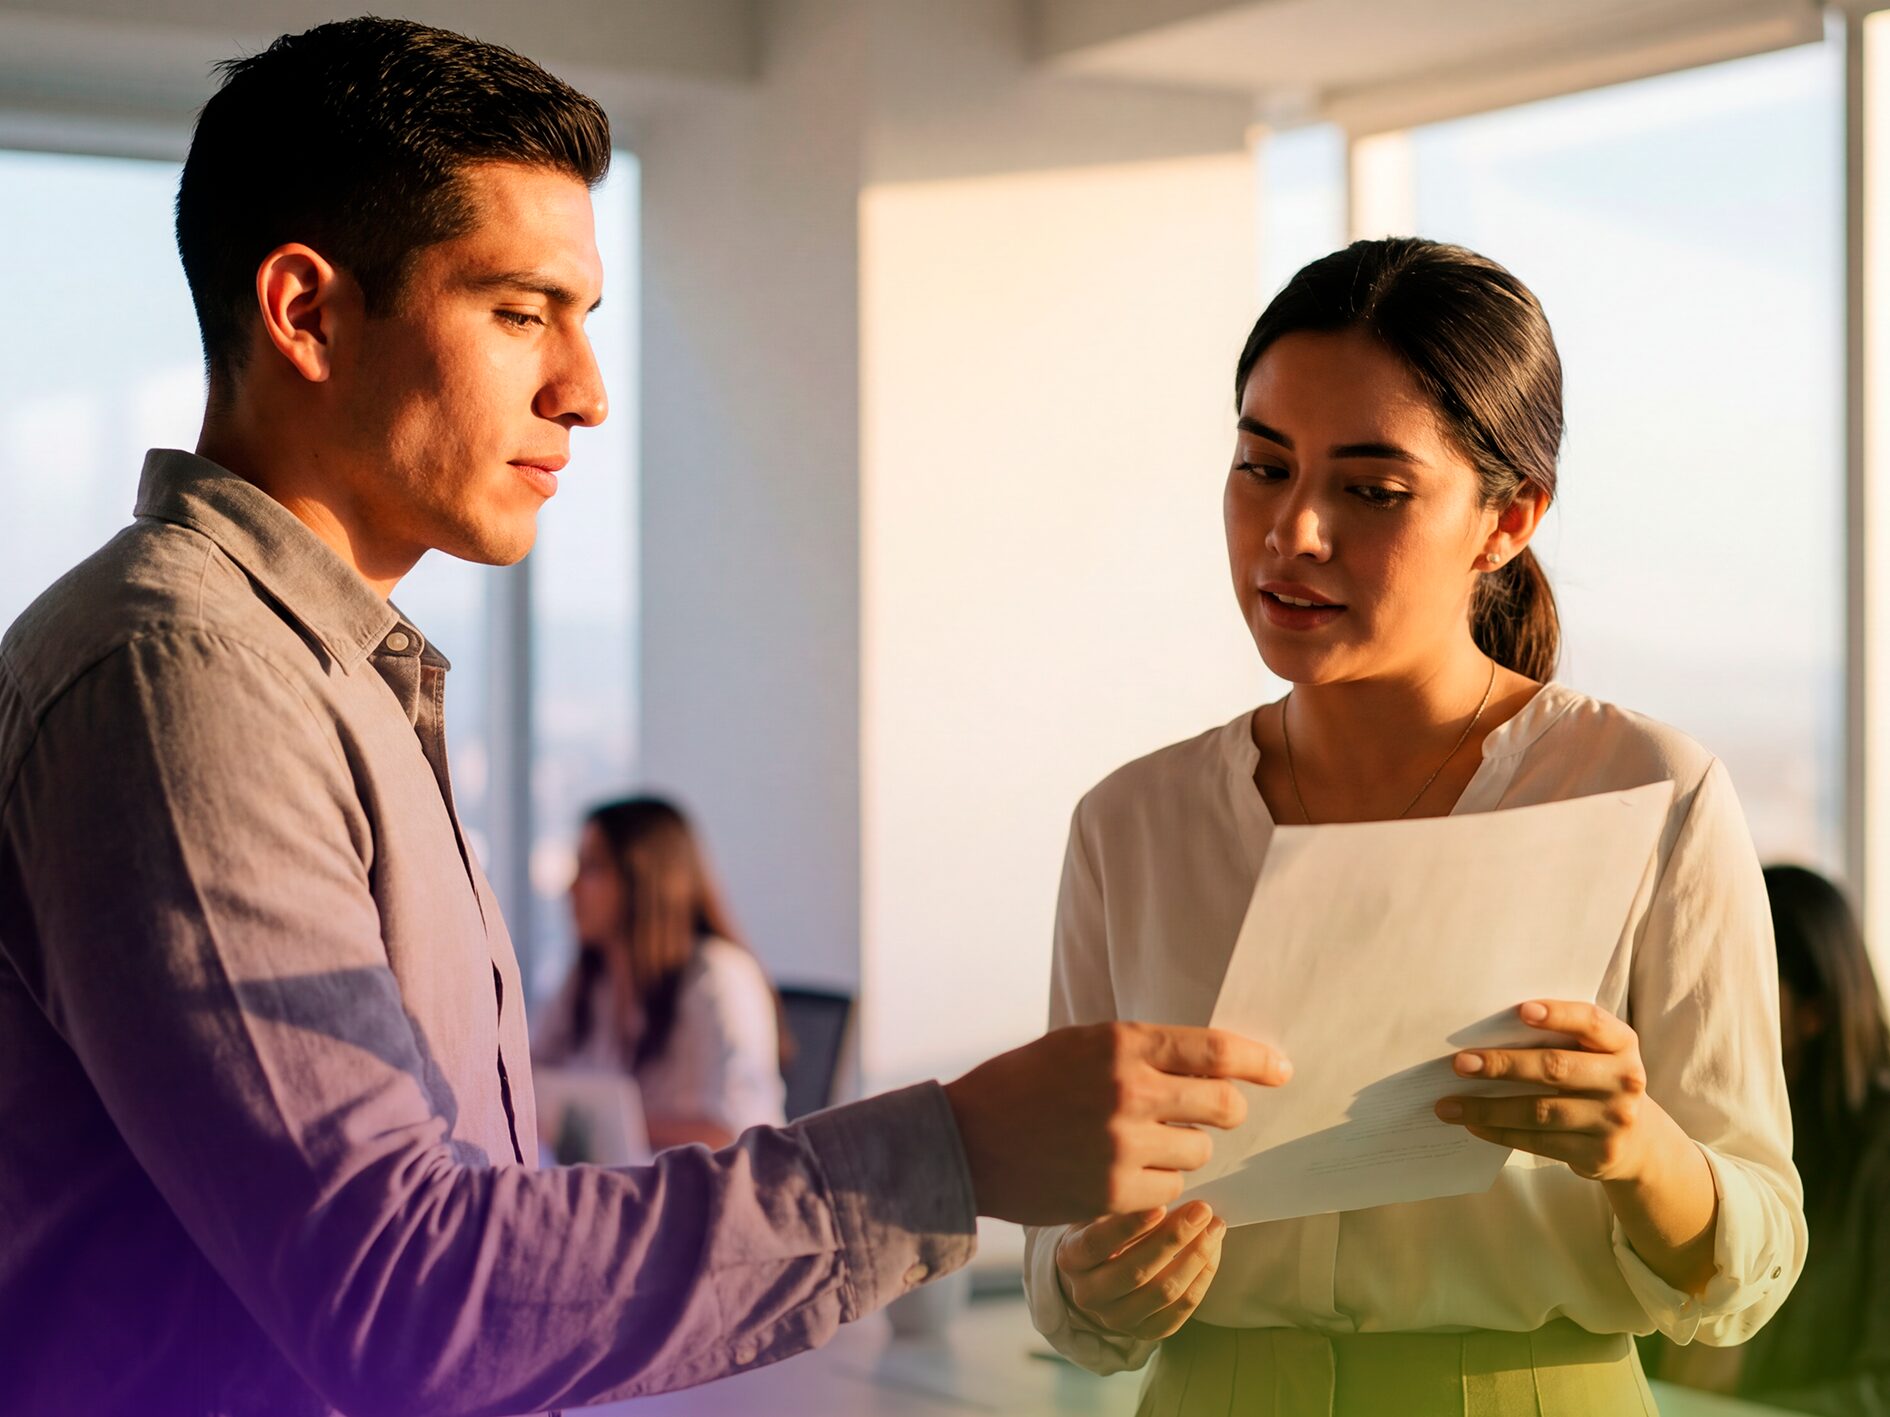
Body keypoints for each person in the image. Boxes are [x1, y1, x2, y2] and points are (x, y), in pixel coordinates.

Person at [0, 18, 1295, 1416]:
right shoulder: (180, 676)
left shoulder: (322, 677)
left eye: (584, 319)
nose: (586, 390)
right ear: (307, 312)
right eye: (517, 311)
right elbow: (408, 1300)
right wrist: (955, 1152)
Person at [1022, 237, 1807, 1415]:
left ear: (1509, 520)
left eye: (1370, 489)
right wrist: (1092, 1285)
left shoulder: (1650, 793)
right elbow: (1059, 1250)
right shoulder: (1131, 824)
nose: (1294, 532)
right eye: (1261, 466)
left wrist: (1638, 1147)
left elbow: (1755, 1262)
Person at [1645, 865, 1890, 1413]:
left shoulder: (1877, 1149)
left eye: (1740, 984)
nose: (1705, 1006)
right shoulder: (1685, 1122)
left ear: (1813, 1014)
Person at [534, 796, 787, 1152]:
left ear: (644, 881)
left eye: (591, 869)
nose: (571, 890)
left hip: (698, 1196)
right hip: (612, 1188)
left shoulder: (719, 977)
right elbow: (527, 1073)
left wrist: (604, 1126)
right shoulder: (589, 978)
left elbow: (740, 1131)